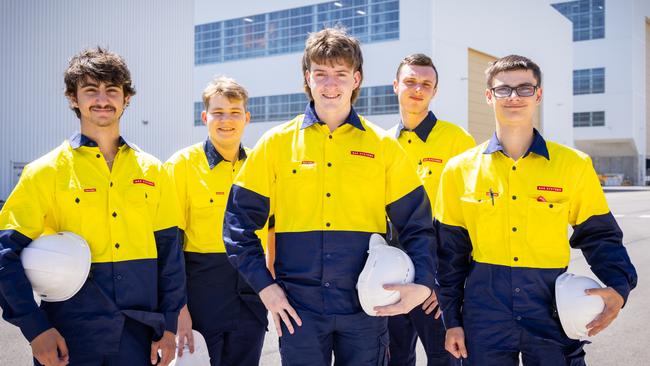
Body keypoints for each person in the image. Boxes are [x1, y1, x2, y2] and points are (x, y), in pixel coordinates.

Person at [223, 27, 437, 366]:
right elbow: (237, 225)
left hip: (366, 308)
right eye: (320, 74)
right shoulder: (276, 144)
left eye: (340, 74)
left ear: (356, 79)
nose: (330, 85)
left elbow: (418, 226)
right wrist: (265, 287)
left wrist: (424, 284)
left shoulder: (383, 147)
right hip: (299, 311)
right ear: (308, 79)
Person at [434, 54, 638, 365]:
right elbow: (449, 255)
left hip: (551, 309)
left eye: (524, 88)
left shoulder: (573, 165)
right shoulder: (458, 170)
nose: (513, 97)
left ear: (538, 95)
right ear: (489, 96)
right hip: (483, 312)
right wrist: (452, 320)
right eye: (503, 89)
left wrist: (619, 288)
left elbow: (600, 236)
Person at [0, 47, 185, 366]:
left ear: (127, 98)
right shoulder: (45, 172)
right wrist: (35, 329)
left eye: (112, 89)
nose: (103, 98)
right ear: (73, 98)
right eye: (90, 90)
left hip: (138, 336)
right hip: (68, 337)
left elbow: (170, 254)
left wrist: (169, 326)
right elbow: (5, 252)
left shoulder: (155, 172)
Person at [165, 77, 268, 366]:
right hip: (200, 297)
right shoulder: (181, 166)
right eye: (218, 112)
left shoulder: (259, 167)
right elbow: (168, 246)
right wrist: (178, 309)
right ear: (204, 117)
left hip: (251, 296)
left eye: (235, 112)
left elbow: (274, 230)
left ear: (247, 118)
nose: (227, 120)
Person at [387, 53, 475, 366]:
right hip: (389, 278)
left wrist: (449, 287)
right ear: (395, 85)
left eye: (426, 84)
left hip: (437, 282)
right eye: (410, 81)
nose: (418, 89)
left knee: (445, 359)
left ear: (434, 91)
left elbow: (470, 219)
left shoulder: (457, 142)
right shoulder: (381, 144)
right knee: (394, 359)